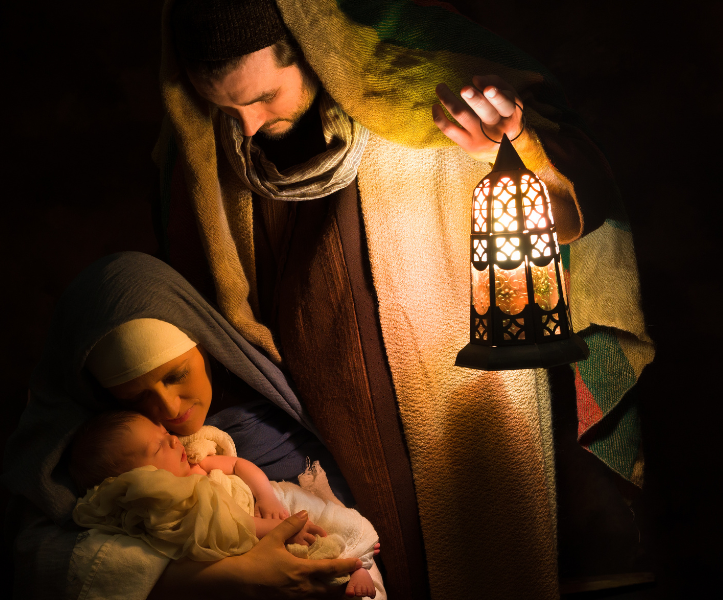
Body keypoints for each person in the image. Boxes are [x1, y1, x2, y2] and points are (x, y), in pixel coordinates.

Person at [151, 1, 654, 599]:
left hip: (456, 390)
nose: (249, 125)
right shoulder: (212, 149)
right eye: (227, 106)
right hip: (325, 414)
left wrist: (515, 139)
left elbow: (572, 200)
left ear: (312, 48)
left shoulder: (429, 79)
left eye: (263, 98)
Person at [1, 252, 366, 599]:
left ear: (203, 340)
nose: (168, 409)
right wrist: (235, 578)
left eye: (176, 375)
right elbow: (50, 564)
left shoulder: (275, 405)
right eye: (133, 398)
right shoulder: (105, 446)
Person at [68, 407, 381, 598]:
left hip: (276, 502)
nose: (175, 439)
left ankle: (360, 562)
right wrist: (277, 529)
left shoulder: (197, 464)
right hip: (261, 534)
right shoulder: (166, 513)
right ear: (136, 482)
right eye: (159, 447)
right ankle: (344, 570)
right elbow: (230, 524)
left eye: (166, 432)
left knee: (338, 520)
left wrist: (265, 495)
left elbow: (238, 466)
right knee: (311, 559)